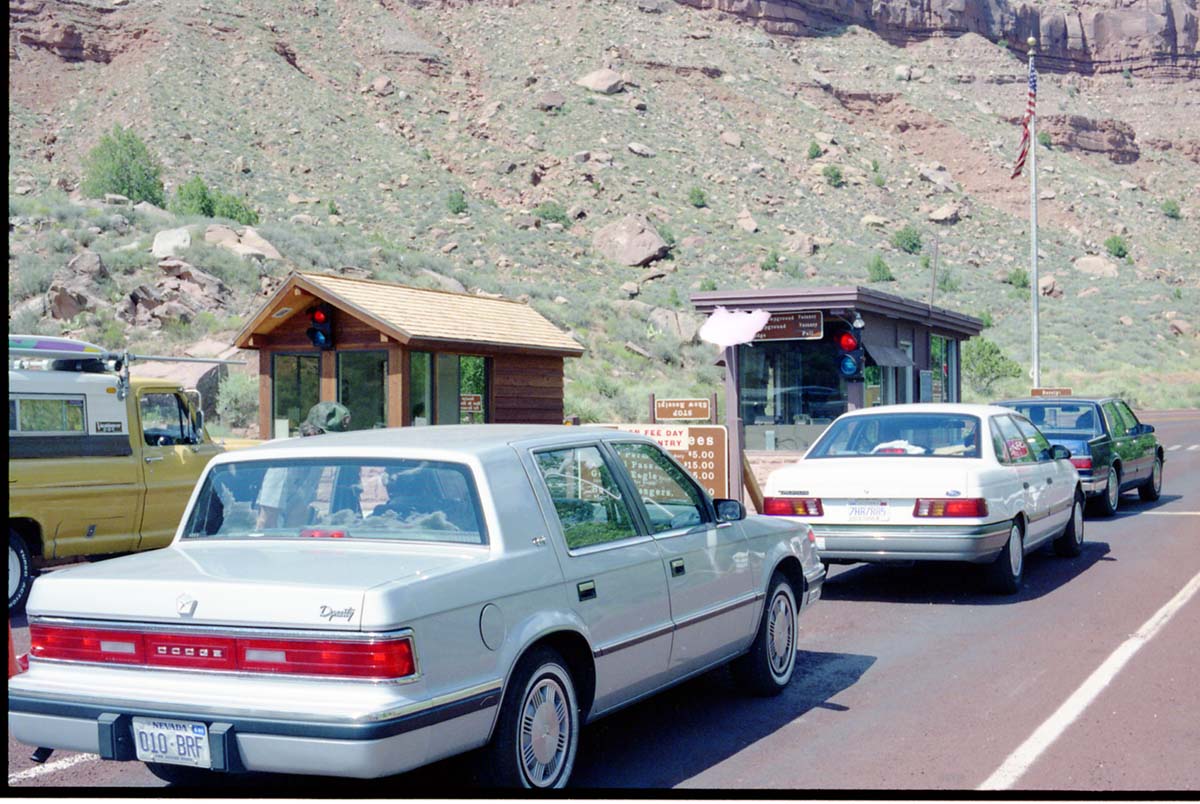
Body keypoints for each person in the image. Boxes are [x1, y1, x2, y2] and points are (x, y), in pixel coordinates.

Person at [256, 402, 352, 529]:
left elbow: (298, 510)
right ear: (312, 434)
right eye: (331, 439)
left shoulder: (315, 463)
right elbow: (266, 520)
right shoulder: (283, 464)